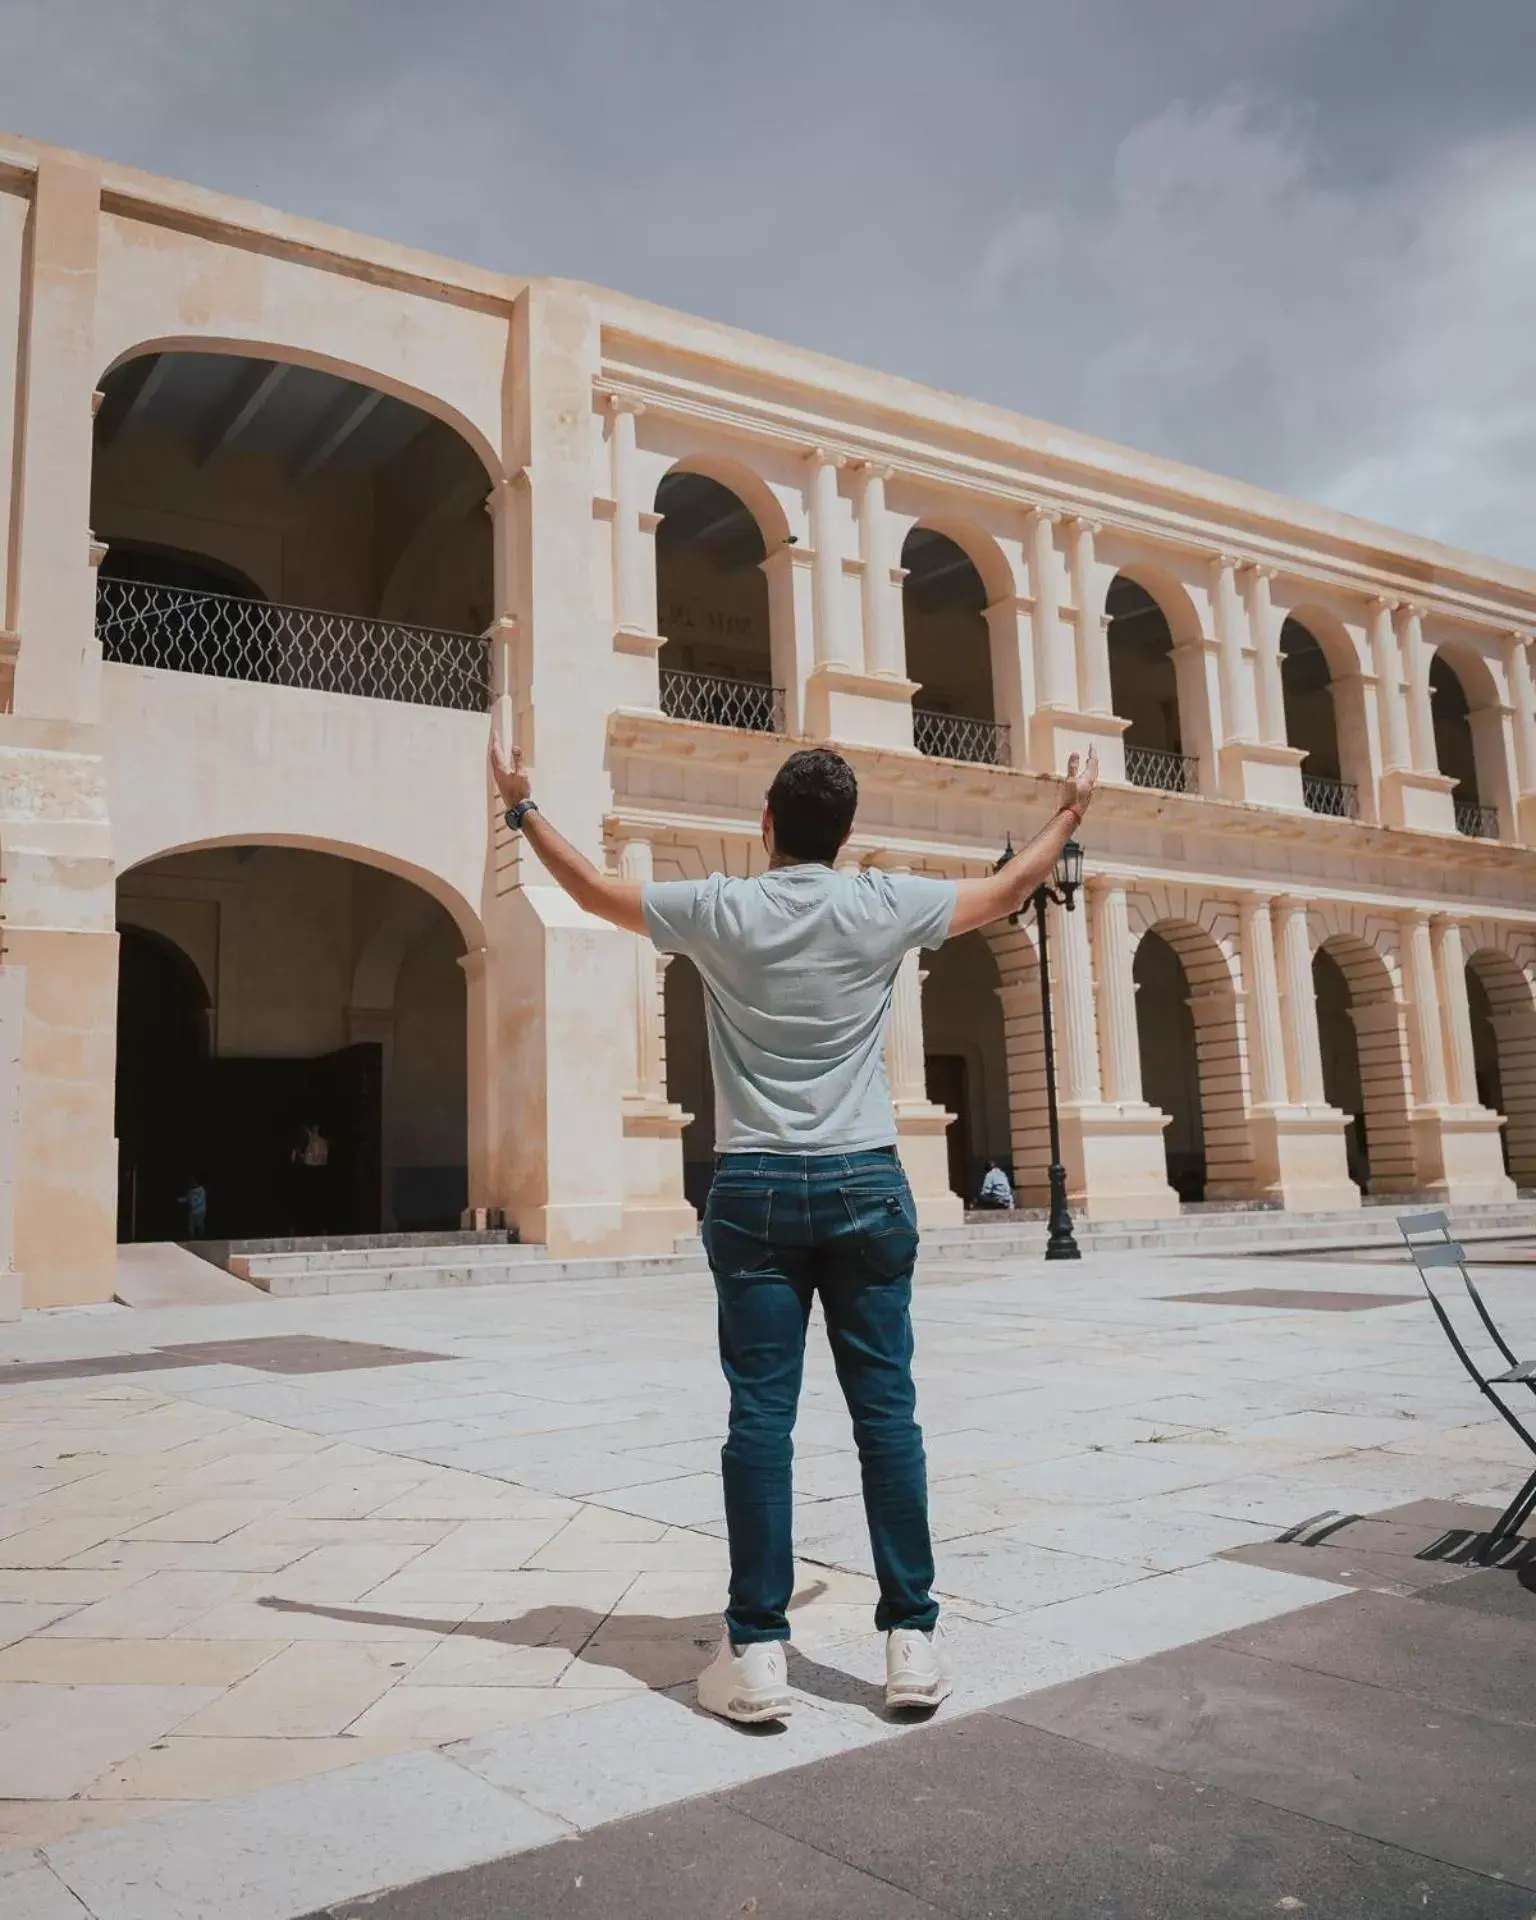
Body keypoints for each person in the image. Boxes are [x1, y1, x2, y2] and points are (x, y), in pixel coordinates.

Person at [491, 727, 1098, 1723]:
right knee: (886, 1417)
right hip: (866, 1182)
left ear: (766, 825)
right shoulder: (885, 901)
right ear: (846, 833)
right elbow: (1002, 895)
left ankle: (760, 1653)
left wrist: (521, 804)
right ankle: (909, 1644)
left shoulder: (722, 908)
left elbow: (594, 893)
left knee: (760, 1422)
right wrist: (1069, 814)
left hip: (757, 1188)